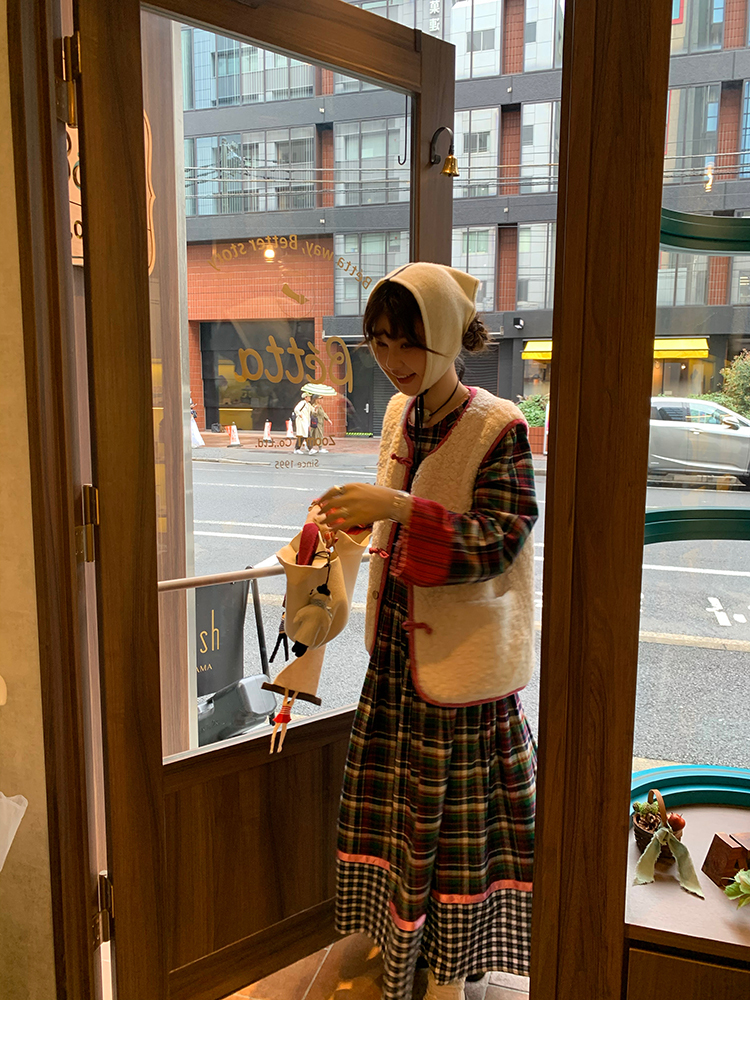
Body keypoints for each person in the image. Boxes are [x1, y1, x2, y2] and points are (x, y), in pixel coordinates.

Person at [314, 262, 538, 1001]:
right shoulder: (397, 415)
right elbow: (388, 522)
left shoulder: (498, 425)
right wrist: (350, 523)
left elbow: (500, 540)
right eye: (380, 342)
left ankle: (453, 970)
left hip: (463, 666)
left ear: (445, 333)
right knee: (403, 821)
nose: (392, 359)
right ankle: (407, 953)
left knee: (460, 833)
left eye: (407, 341)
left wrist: (399, 508)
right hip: (396, 655)